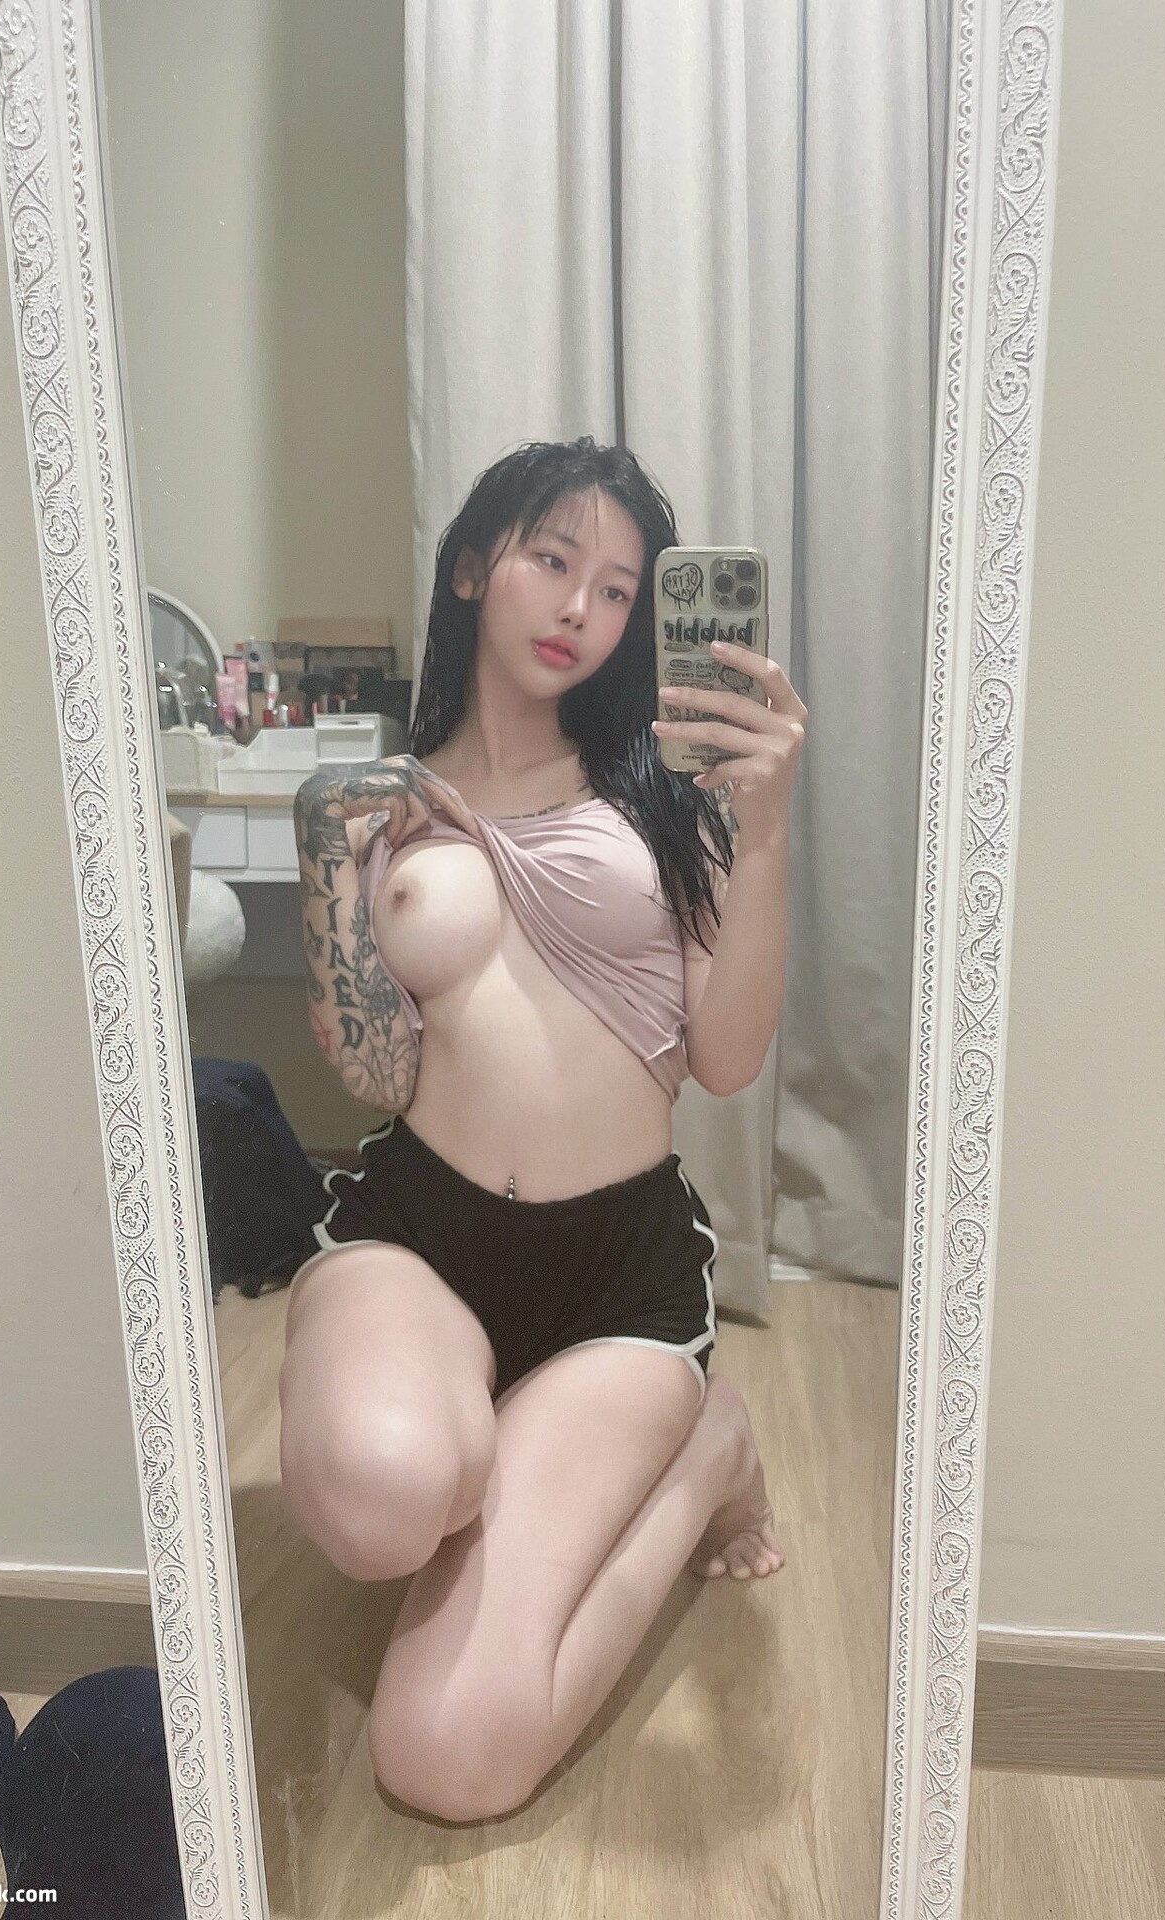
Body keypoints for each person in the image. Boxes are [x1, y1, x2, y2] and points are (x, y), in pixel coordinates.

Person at [280, 437, 808, 1824]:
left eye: (620, 589)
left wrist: (763, 835)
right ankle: (469, 1428)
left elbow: (727, 1060)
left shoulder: (665, 797)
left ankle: (710, 1452)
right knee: (383, 1495)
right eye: (553, 559)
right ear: (474, 565)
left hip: (615, 1281)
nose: (582, 607)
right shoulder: (387, 807)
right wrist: (331, 851)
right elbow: (378, 1074)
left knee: (446, 1760)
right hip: (420, 1238)